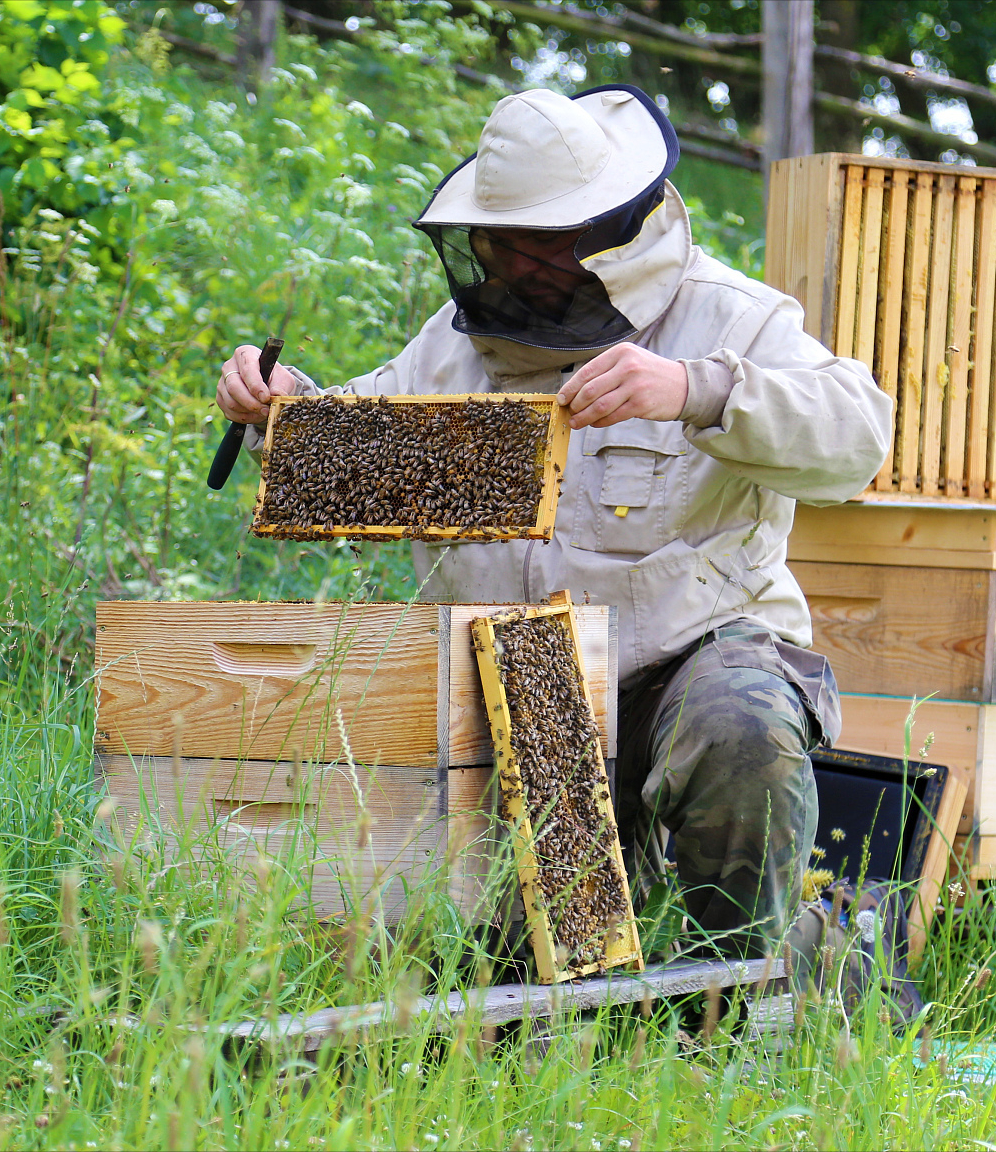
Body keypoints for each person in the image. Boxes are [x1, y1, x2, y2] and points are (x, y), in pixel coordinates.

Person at [213, 85, 893, 964]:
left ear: (609, 234)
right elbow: (355, 465)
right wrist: (285, 413)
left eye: (540, 248)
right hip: (520, 687)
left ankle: (742, 993)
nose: (514, 268)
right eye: (500, 246)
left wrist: (698, 390)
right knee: (531, 962)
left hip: (678, 669)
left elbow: (857, 439)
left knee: (740, 723)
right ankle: (647, 959)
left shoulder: (734, 316)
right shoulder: (451, 346)